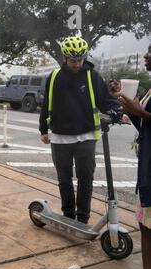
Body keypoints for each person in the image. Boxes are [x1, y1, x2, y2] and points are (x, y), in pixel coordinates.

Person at [39, 36, 121, 224]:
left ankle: (82, 218)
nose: (76, 64)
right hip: (59, 138)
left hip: (86, 137)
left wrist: (116, 110)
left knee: (86, 180)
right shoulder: (54, 77)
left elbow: (105, 99)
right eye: (73, 60)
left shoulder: (92, 76)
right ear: (65, 58)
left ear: (84, 57)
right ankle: (68, 216)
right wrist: (43, 129)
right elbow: (46, 105)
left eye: (80, 60)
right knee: (65, 180)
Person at [112, 43, 151, 269]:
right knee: (145, 224)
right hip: (146, 166)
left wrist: (140, 112)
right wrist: (132, 111)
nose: (146, 56)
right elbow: (145, 122)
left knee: (148, 225)